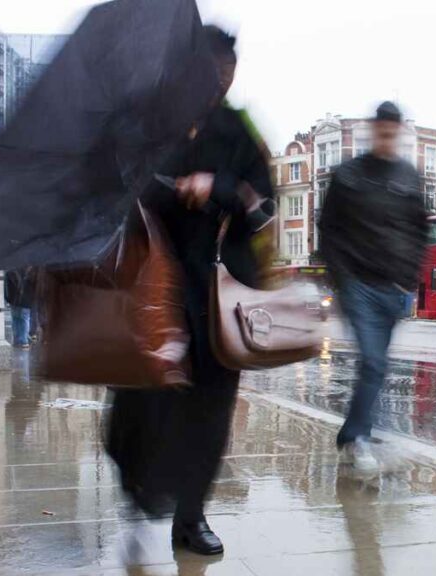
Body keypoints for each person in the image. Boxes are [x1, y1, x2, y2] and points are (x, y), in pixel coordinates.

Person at [105, 28, 275, 556]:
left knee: (210, 408)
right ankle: (135, 488)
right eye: (213, 70)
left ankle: (191, 516)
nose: (222, 82)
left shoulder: (240, 132)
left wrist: (218, 187)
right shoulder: (150, 121)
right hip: (153, 285)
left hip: (216, 294)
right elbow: (121, 185)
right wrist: (172, 186)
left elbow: (263, 207)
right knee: (142, 398)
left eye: (229, 72)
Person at [319, 101, 429, 472]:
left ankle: (352, 433)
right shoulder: (348, 175)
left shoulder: (408, 177)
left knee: (377, 368)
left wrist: (409, 277)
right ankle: (361, 440)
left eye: (392, 131)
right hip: (357, 285)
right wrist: (342, 277)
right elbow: (329, 228)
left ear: (398, 132)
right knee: (373, 362)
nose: (386, 137)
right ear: (373, 129)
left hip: (393, 286)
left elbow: (419, 229)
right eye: (381, 130)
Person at [4, 268, 36, 350]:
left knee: (16, 320)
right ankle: (23, 341)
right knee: (23, 319)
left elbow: (7, 287)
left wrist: (8, 299)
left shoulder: (10, 271)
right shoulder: (30, 270)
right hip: (26, 299)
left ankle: (18, 340)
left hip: (14, 300)